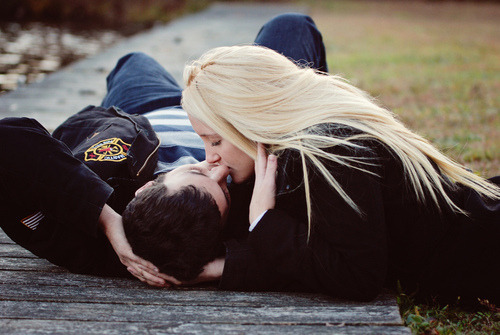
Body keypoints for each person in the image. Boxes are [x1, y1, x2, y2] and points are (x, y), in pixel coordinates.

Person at [177, 13, 500, 306]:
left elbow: (358, 276)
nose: (210, 157)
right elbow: (312, 250)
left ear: (249, 118)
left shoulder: (329, 150)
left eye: (215, 139)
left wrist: (264, 223)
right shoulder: (287, 152)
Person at [0, 51, 231, 285]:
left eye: (195, 171)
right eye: (225, 190)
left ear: (145, 188)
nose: (221, 171)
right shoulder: (226, 212)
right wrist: (221, 268)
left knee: (133, 61)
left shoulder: (79, 239)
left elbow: (7, 138)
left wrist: (106, 220)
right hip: (199, 112)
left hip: (138, 111)